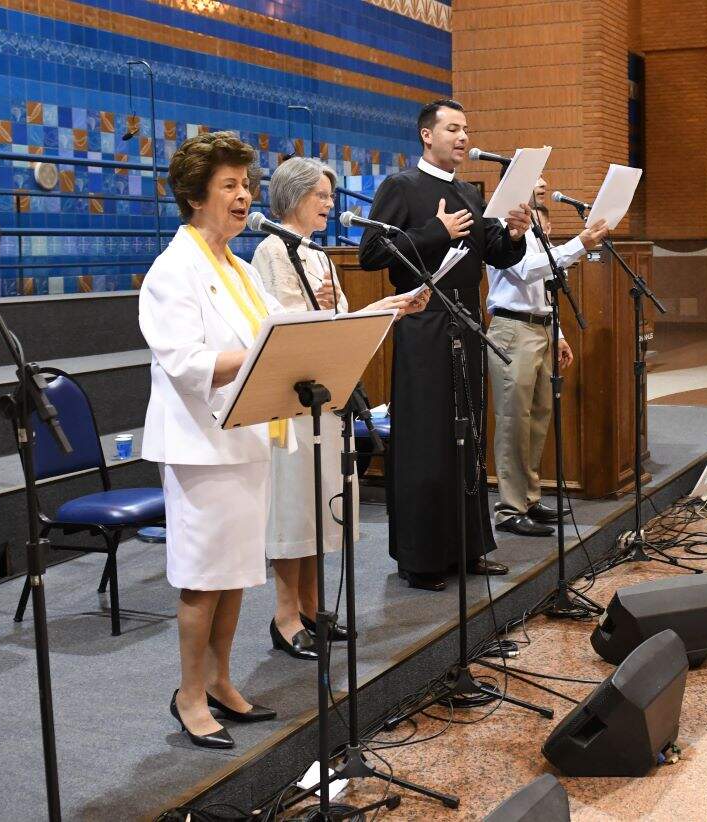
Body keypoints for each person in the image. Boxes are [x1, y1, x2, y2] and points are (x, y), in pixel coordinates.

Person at [139, 131, 285, 749]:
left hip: (245, 438)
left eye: (246, 185)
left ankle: (221, 679)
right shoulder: (172, 271)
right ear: (196, 197)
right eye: (229, 185)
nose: (243, 195)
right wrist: (260, 354)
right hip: (200, 446)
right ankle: (189, 694)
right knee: (203, 578)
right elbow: (185, 360)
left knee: (234, 573)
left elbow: (279, 330)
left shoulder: (240, 269)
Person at [251, 156, 429, 660]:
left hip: (326, 398)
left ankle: (312, 609)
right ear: (293, 196)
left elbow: (340, 324)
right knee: (294, 509)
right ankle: (285, 615)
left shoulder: (320, 255)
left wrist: (389, 308)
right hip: (290, 403)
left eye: (330, 196)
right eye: (321, 195)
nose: (330, 204)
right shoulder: (271, 250)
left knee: (318, 506)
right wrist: (325, 307)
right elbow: (279, 328)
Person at [358, 99, 532, 591]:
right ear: (426, 135)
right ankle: (422, 559)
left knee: (468, 437)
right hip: (423, 325)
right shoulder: (401, 187)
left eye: (466, 128)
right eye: (452, 128)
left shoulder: (468, 192)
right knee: (427, 441)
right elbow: (371, 253)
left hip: (466, 323)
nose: (462, 137)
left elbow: (494, 253)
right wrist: (436, 231)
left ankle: (468, 548)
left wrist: (514, 234)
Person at [487, 186, 609, 536]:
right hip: (512, 328)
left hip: (540, 328)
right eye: (537, 180)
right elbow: (526, 270)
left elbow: (546, 288)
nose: (542, 186)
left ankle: (528, 498)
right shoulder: (502, 228)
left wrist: (558, 334)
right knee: (513, 420)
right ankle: (509, 508)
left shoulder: (537, 230)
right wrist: (580, 244)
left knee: (538, 419)